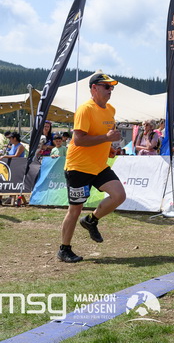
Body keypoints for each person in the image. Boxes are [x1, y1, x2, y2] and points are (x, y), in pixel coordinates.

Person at [57, 71, 126, 263]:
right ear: (94, 88)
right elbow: (79, 140)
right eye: (107, 86)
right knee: (75, 209)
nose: (110, 90)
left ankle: (91, 221)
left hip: (99, 166)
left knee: (119, 195)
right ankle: (64, 249)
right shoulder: (85, 109)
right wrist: (106, 138)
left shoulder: (110, 109)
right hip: (78, 167)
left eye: (112, 87)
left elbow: (104, 135)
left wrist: (109, 148)